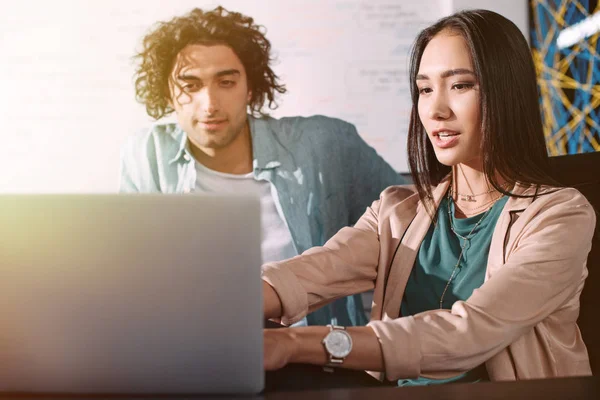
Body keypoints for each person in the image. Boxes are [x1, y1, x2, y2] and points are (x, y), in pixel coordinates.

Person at [262, 9, 596, 385]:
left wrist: (294, 342)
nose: (435, 111)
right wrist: (230, 302)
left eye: (460, 85)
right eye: (424, 89)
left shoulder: (560, 215)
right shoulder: (398, 211)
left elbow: (466, 333)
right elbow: (316, 270)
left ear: (506, 92)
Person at [119, 6, 405, 327]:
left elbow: (413, 224)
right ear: (168, 93)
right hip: (193, 344)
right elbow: (134, 273)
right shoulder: (147, 154)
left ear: (250, 87)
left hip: (312, 350)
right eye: (190, 85)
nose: (209, 104)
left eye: (226, 82)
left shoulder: (324, 143)